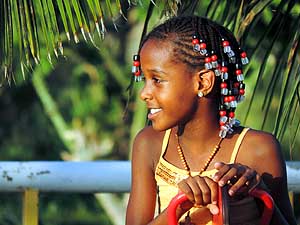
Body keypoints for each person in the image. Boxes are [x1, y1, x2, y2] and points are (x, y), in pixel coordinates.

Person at [126, 16, 296, 225]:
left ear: (203, 82)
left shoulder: (259, 149)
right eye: (144, 80)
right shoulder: (149, 143)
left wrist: (259, 193)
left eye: (157, 80)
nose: (144, 93)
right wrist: (179, 209)